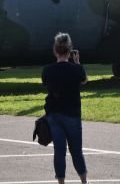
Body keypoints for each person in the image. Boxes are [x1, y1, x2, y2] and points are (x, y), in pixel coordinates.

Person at [42, 33, 89, 184]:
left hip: (54, 115)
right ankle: (84, 181)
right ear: (70, 52)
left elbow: (46, 83)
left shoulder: (48, 70)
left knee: (59, 151)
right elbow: (84, 80)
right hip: (72, 114)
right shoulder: (76, 69)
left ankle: (61, 182)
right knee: (76, 151)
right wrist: (77, 63)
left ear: (55, 51)